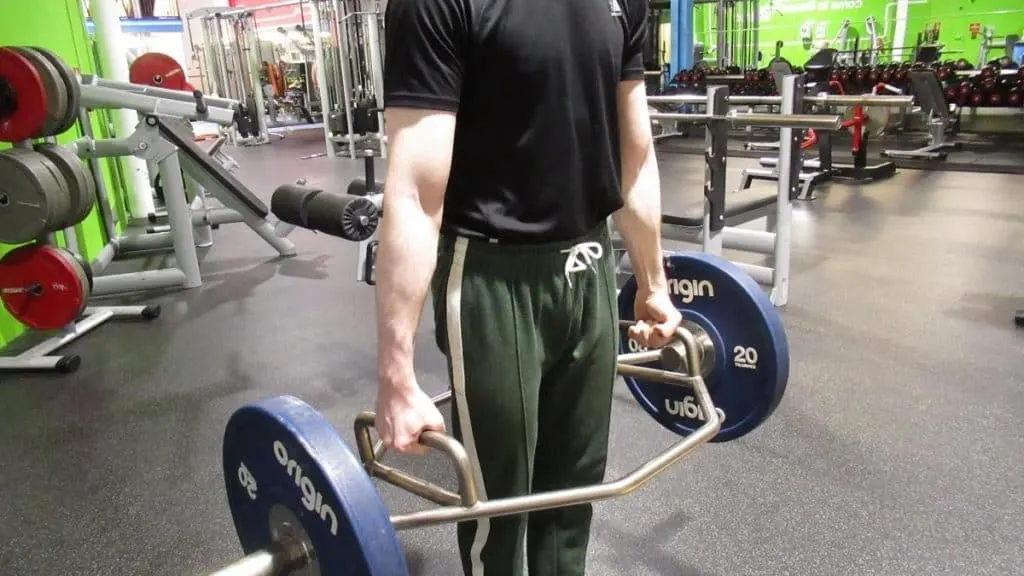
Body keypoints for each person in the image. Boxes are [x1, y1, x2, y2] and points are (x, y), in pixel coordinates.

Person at [372, 0, 682, 573]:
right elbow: (415, 192)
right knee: (499, 506)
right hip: (492, 279)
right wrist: (396, 376)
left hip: (588, 266)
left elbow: (633, 157)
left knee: (574, 495)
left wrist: (654, 283)